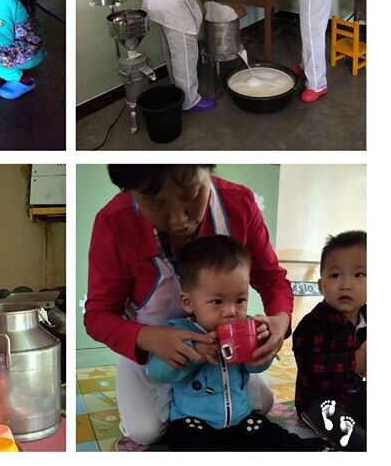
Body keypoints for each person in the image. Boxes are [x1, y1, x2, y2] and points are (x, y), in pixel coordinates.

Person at [84, 165, 293, 450]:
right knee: (145, 432)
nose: (179, 219)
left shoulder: (239, 204)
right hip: (151, 352)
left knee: (263, 403)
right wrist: (147, 337)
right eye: (156, 204)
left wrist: (279, 321)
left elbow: (271, 278)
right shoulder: (114, 222)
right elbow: (97, 315)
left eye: (192, 194)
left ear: (208, 170)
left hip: (222, 352)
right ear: (129, 192)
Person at [148, 235, 313, 451]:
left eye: (240, 300)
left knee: (279, 439)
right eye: (217, 301)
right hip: (193, 422)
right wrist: (193, 352)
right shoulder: (178, 332)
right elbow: (158, 372)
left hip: (241, 420)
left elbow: (256, 367)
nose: (231, 312)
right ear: (188, 303)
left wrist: (261, 348)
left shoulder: (246, 326)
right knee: (189, 445)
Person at [292, 230, 366, 451]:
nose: (346, 285)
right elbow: (311, 365)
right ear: (321, 285)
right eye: (335, 276)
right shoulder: (313, 324)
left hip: (353, 394)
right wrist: (354, 363)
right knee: (358, 442)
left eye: (359, 275)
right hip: (319, 402)